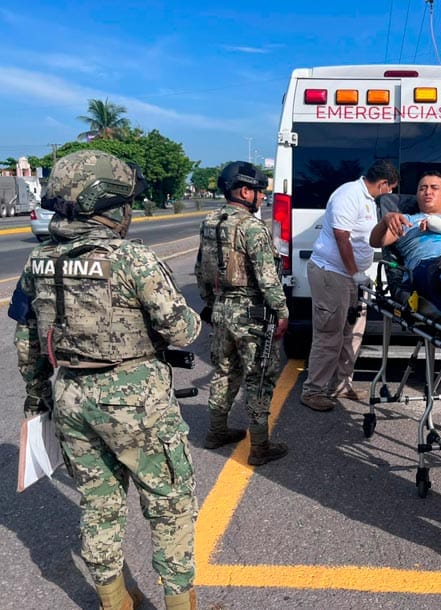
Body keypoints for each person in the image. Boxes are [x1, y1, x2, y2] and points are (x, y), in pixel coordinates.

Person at [10, 150, 202, 610]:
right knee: (169, 502)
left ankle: (114, 601)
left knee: (99, 503)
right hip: (134, 400)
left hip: (70, 395)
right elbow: (184, 330)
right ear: (109, 204)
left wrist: (38, 401)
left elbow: (27, 342)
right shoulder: (131, 257)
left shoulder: (37, 261)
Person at [195, 161, 290, 465]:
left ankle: (216, 431)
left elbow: (201, 269)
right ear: (245, 191)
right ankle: (260, 446)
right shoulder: (251, 227)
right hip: (251, 313)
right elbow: (267, 276)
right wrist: (282, 312)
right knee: (258, 377)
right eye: (260, 191)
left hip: (222, 309)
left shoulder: (210, 222)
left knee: (224, 370)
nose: (263, 197)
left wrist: (211, 303)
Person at [300, 159, 400, 412]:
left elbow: (368, 239)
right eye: (389, 188)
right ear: (382, 183)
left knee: (352, 333)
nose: (389, 193)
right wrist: (355, 272)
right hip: (332, 274)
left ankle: (342, 384)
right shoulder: (349, 194)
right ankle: (314, 390)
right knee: (329, 335)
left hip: (352, 276)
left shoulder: (368, 200)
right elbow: (341, 237)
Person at [369, 170, 441, 311]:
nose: (428, 192)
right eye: (422, 188)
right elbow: (375, 242)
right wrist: (385, 220)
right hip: (429, 267)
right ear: (417, 195)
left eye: (434, 188)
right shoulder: (406, 221)